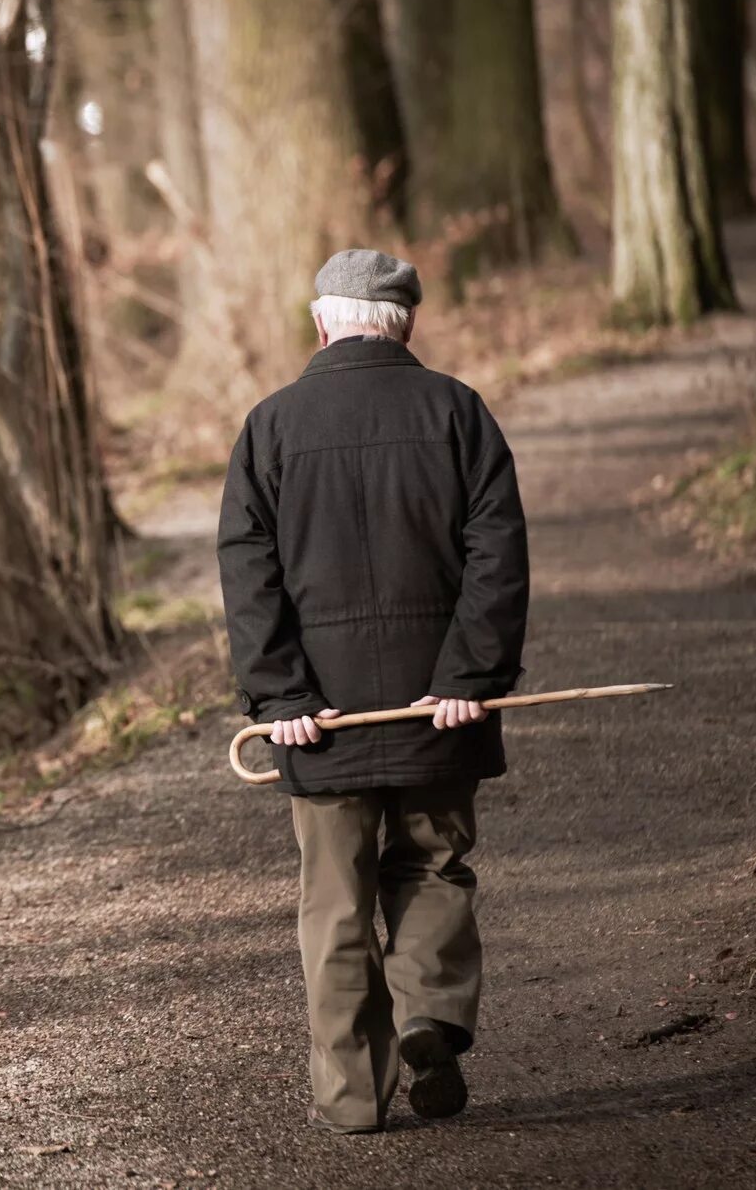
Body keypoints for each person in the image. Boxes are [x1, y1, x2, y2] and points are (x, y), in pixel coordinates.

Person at [216, 248, 530, 1134]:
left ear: (320, 323)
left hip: (320, 720)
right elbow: (497, 557)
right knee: (431, 862)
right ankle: (429, 1010)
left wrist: (280, 696)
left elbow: (249, 573)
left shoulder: (268, 427)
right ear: (407, 324)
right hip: (438, 710)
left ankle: (355, 1098)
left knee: (336, 901)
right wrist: (469, 676)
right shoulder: (457, 412)